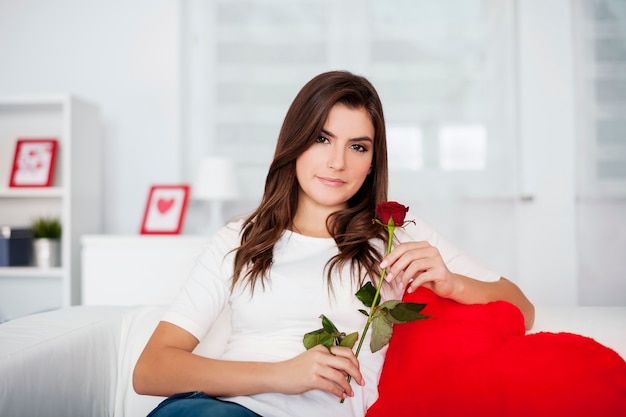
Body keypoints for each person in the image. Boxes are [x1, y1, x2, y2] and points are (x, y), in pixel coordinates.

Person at [133, 70, 535, 417]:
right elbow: (151, 369)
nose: (337, 162)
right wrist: (282, 374)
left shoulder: (397, 234)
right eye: (323, 139)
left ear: (373, 161)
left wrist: (453, 283)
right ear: (296, 143)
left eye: (357, 146)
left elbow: (523, 309)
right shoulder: (240, 238)